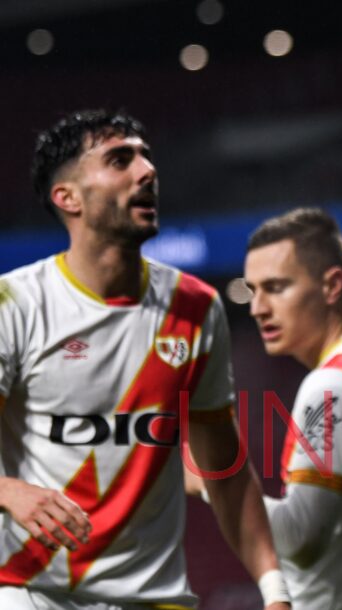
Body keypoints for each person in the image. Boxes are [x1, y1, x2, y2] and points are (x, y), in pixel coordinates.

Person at [0, 109, 290, 609]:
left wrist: (274, 588)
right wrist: (9, 490)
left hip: (156, 599)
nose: (146, 171)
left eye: (145, 156)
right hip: (36, 592)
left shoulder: (195, 307)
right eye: (119, 160)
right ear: (67, 198)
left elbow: (223, 469)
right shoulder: (17, 303)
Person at [188, 208, 342, 609]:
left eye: (275, 288)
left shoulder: (330, 386)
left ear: (332, 286)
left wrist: (206, 481)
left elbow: (299, 538)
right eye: (252, 290)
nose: (257, 308)